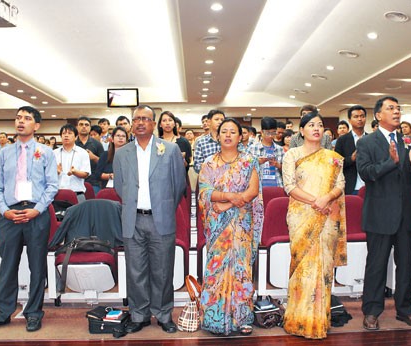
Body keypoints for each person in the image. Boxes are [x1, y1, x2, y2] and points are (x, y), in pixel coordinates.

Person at [0, 106, 58, 333]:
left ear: (37, 125)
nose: (21, 121)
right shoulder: (4, 153)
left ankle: (33, 313)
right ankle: (2, 313)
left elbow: (52, 186)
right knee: (8, 264)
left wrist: (38, 209)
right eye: (18, 118)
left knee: (36, 265)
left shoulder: (46, 152)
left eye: (27, 118)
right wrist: (4, 210)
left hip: (36, 214)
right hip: (10, 214)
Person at [356, 96, 411, 331]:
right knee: (376, 265)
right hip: (379, 213)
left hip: (407, 213)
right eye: (391, 108)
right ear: (378, 115)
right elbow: (367, 173)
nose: (396, 112)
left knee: (406, 265)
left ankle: (405, 310)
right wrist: (391, 161)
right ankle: (372, 312)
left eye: (398, 108)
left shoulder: (409, 140)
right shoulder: (367, 143)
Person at [113, 105, 186, 334]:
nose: (141, 122)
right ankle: (139, 314)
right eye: (136, 119)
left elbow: (179, 185)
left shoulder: (170, 149)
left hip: (161, 219)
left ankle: (164, 314)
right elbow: (119, 187)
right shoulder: (122, 152)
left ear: (154, 124)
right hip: (133, 219)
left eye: (145, 118)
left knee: (162, 270)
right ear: (132, 125)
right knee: (135, 270)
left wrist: (163, 208)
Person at [282, 111, 347, 339]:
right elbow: (289, 186)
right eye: (311, 125)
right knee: (302, 268)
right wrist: (315, 200)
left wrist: (327, 198)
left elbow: (341, 183)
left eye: (320, 125)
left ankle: (319, 320)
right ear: (302, 130)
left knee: (324, 267)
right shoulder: (292, 154)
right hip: (301, 216)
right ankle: (298, 321)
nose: (316, 128)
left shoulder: (333, 156)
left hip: (327, 216)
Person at [198, 118, 263, 336]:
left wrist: (225, 203)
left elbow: (252, 191)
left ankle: (242, 318)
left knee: (242, 269)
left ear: (239, 136)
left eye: (232, 132)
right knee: (216, 269)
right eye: (223, 131)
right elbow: (204, 192)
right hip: (217, 228)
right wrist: (227, 197)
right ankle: (213, 318)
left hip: (242, 224)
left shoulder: (249, 161)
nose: (227, 135)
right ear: (217, 136)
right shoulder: (208, 163)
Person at [54, 124, 91, 202]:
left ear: (76, 137)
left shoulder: (83, 152)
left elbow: (86, 174)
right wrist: (55, 172)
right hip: (57, 194)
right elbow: (46, 175)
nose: (66, 136)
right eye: (64, 133)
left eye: (70, 133)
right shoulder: (53, 153)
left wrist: (75, 172)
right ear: (61, 136)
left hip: (77, 194)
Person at [335, 106, 367, 195]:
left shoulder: (372, 139)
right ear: (349, 120)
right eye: (356, 117)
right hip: (350, 186)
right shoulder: (342, 140)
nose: (360, 119)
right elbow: (336, 164)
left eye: (362, 116)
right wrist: (351, 159)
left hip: (370, 186)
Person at [247, 117, 284, 188]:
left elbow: (286, 170)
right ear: (261, 132)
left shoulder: (280, 149)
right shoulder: (252, 148)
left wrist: (278, 165)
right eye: (267, 133)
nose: (270, 136)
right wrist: (257, 162)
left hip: (277, 186)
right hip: (258, 187)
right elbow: (245, 168)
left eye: (273, 133)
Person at [75, 116, 104, 193]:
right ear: (77, 127)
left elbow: (104, 164)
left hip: (94, 182)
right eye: (81, 124)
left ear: (90, 128)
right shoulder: (73, 143)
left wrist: (94, 157)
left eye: (86, 125)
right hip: (75, 181)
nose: (84, 127)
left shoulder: (97, 144)